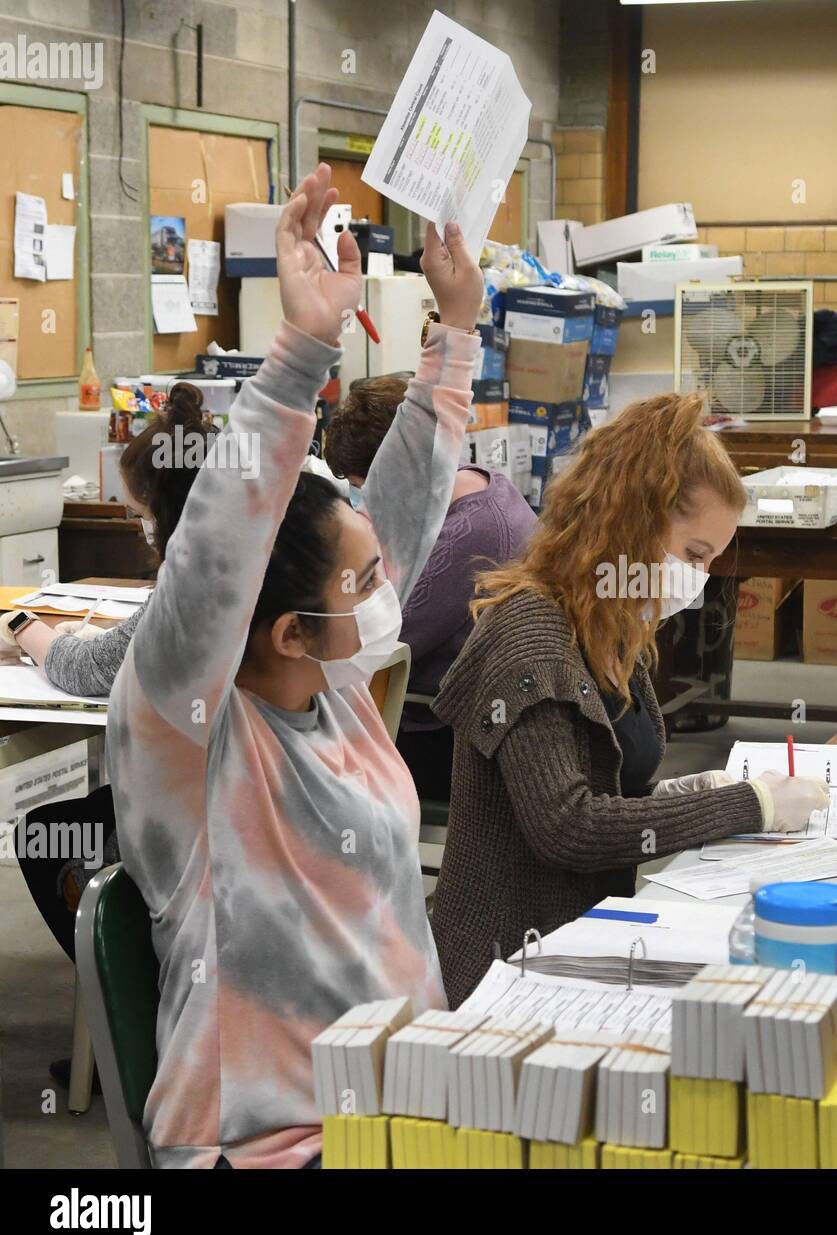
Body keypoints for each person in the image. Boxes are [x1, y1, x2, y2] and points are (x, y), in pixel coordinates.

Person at [108, 163, 482, 1168]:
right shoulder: (189, 737)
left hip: (410, 1112)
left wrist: (455, 328)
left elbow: (401, 508)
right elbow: (212, 560)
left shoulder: (338, 684)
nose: (385, 593)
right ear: (283, 630)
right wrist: (300, 349)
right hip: (272, 1142)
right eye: (361, 583)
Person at [431, 392, 830, 1007]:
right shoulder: (529, 635)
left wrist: (697, 794)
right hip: (508, 967)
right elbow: (570, 828)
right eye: (694, 555)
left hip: (580, 941)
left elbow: (615, 793)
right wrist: (750, 806)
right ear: (630, 520)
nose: (696, 582)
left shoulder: (615, 628)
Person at [2, 391, 217, 971]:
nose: (141, 528)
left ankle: (118, 1022)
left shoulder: (190, 590)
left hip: (192, 823)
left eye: (143, 515)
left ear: (170, 511)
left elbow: (83, 669)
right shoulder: (254, 568)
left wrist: (22, 624)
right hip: (224, 801)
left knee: (44, 833)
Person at [324, 375, 536, 799]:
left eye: (367, 488)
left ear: (399, 475)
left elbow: (381, 644)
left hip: (448, 737)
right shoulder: (485, 487)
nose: (368, 502)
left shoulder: (470, 537)